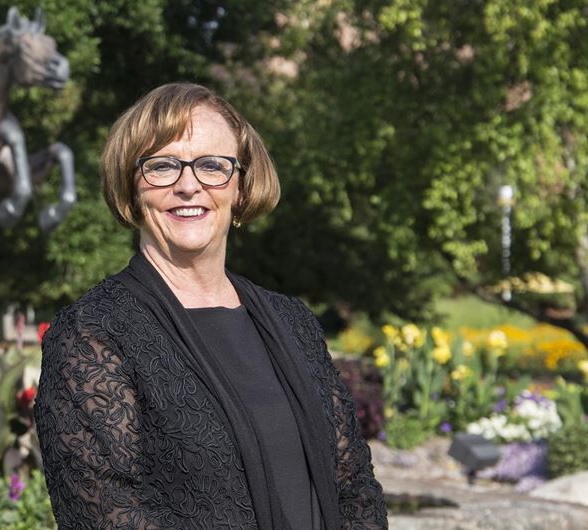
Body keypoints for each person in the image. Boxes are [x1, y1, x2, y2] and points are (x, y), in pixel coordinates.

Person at [34, 83, 387, 530]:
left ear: (240, 186)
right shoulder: (92, 334)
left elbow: (354, 487)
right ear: (131, 188)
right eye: (161, 166)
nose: (188, 185)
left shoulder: (293, 322)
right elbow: (105, 515)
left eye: (212, 165)